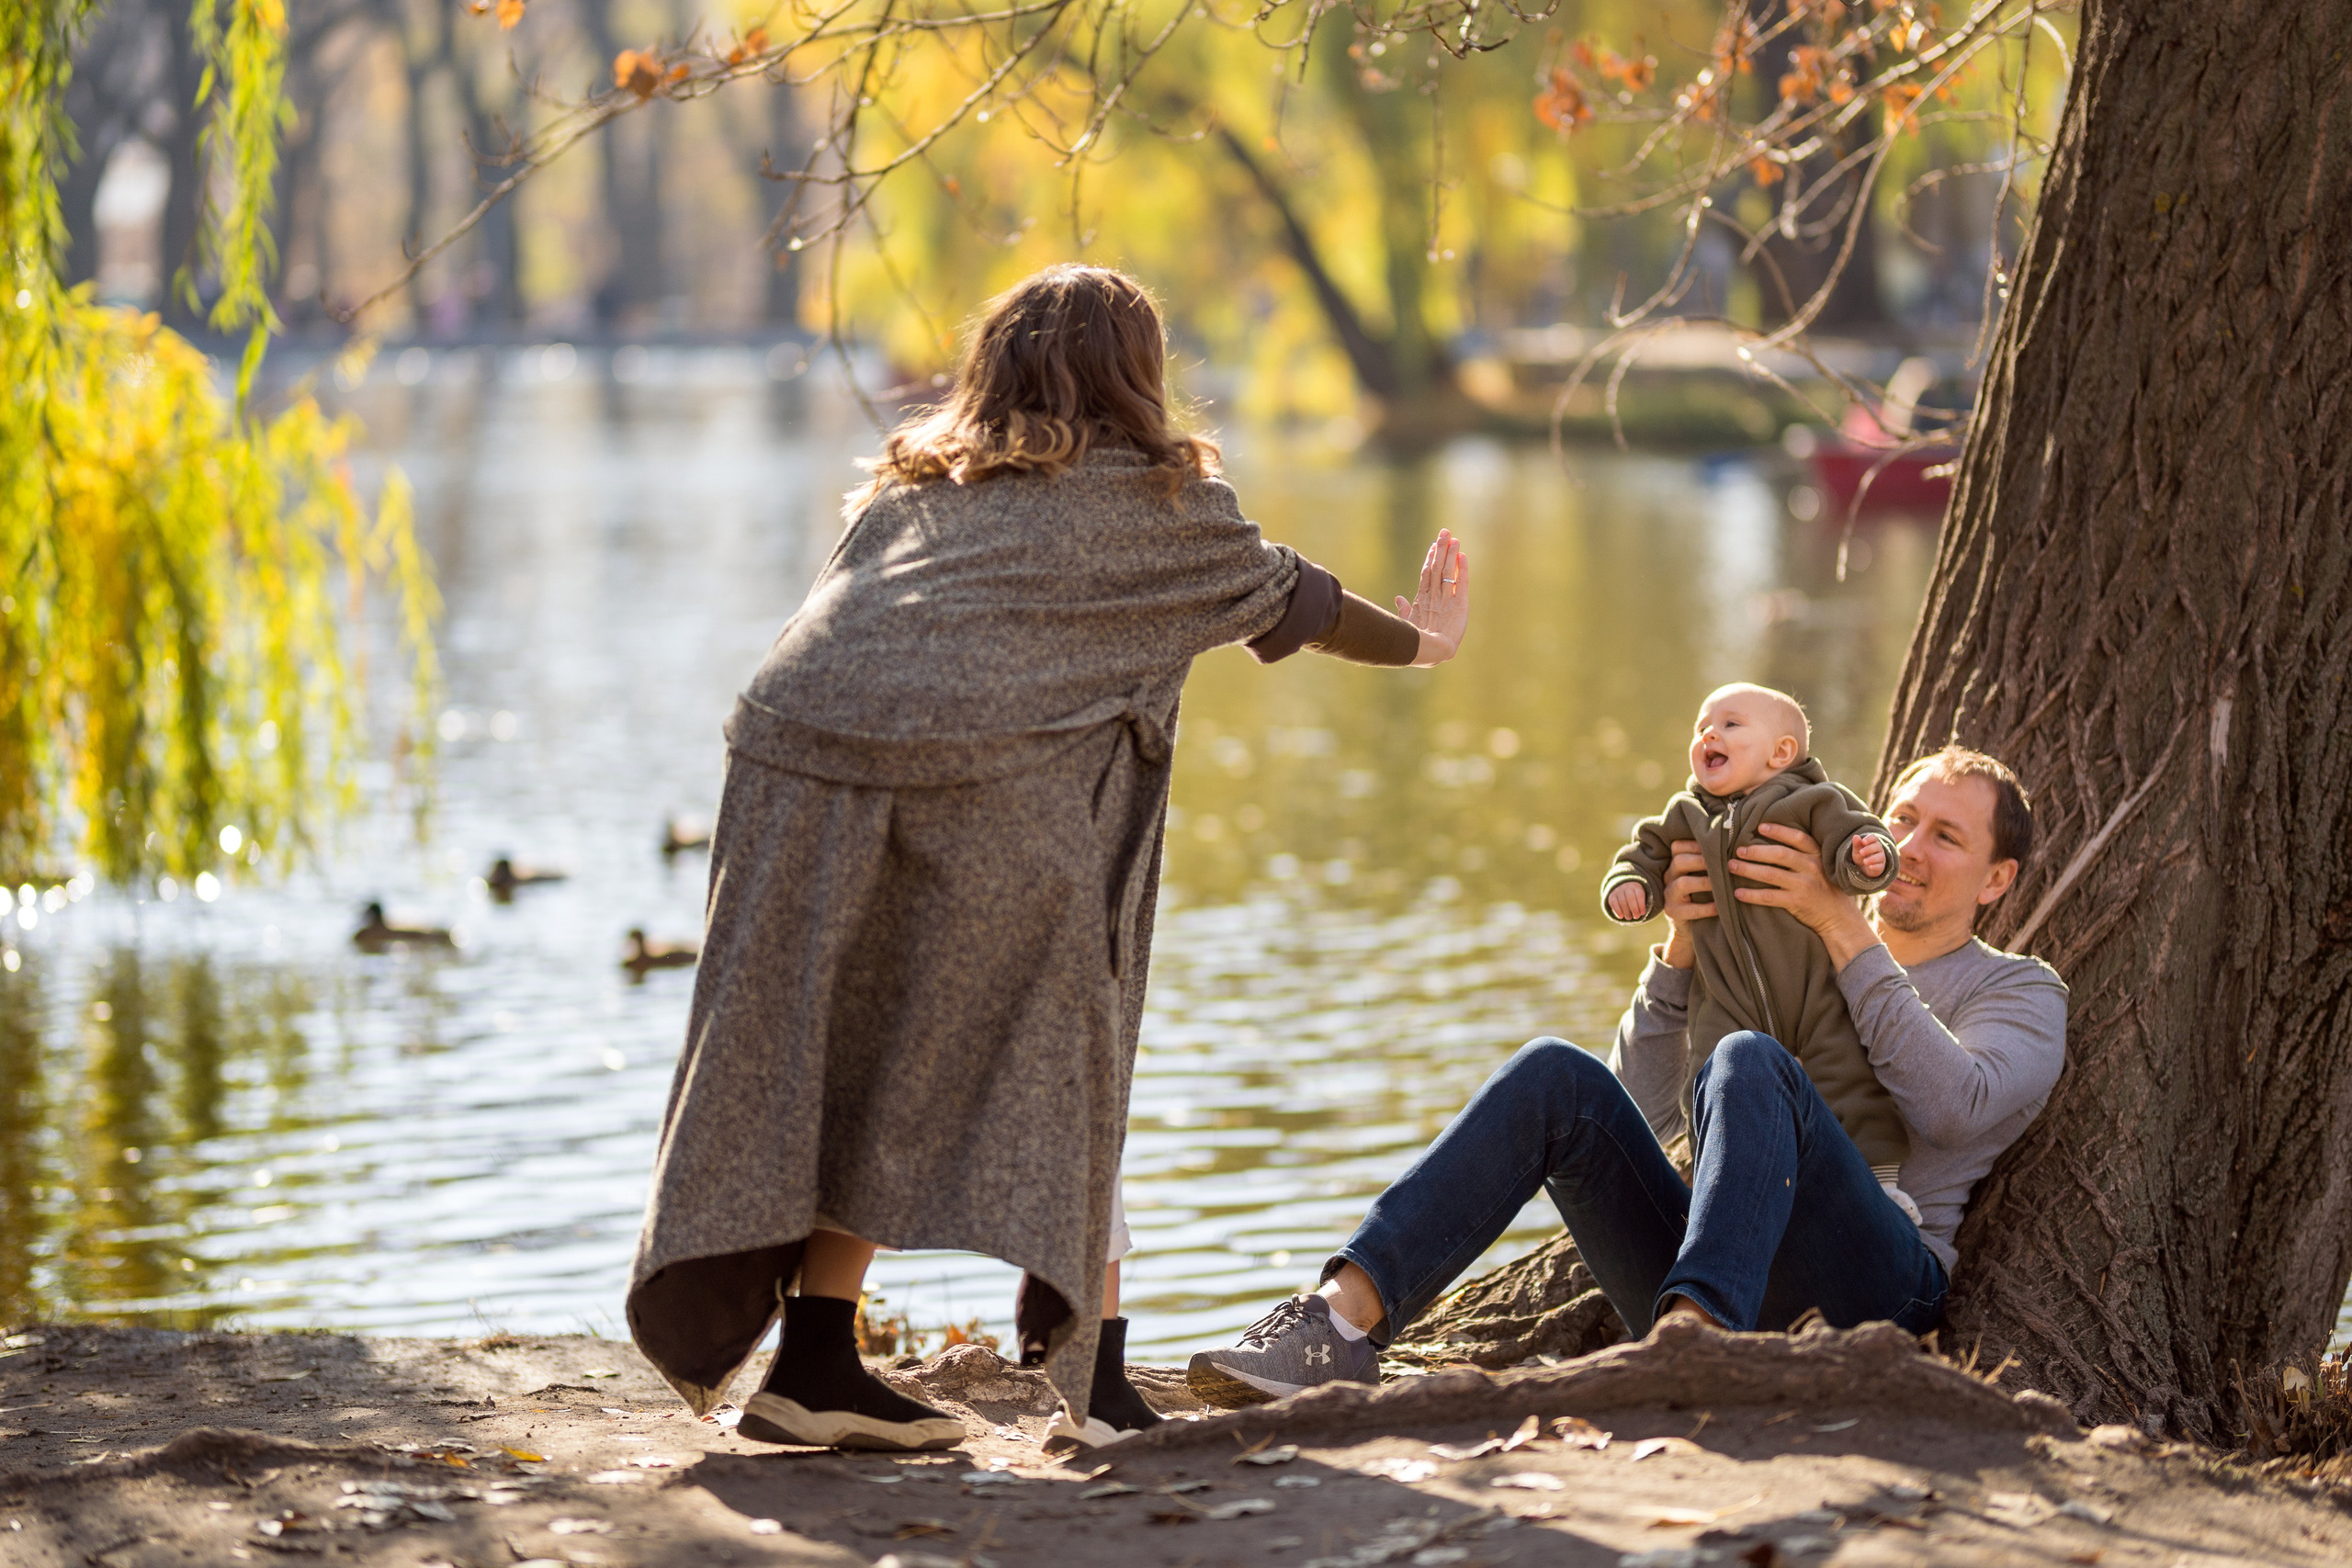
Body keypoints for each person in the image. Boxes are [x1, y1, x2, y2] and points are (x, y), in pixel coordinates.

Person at [625, 265, 1473, 1454]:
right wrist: (1425, 642)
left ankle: (815, 1359)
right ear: (1138, 375)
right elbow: (1299, 600)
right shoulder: (1159, 502)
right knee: (1072, 1007)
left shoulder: (918, 479)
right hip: (927, 778)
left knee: (851, 1049)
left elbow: (851, 633)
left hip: (785, 767)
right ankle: (1100, 1370)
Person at [1187, 745, 2066, 1407]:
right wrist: (1685, 944)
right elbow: (1639, 1110)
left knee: (1752, 1058)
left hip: (1875, 1284)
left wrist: (1842, 927)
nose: (1910, 845)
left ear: (1997, 878)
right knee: (1555, 1076)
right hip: (1710, 1269)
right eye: (1903, 817)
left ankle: (1690, 1352)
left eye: (1945, 835)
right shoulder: (1779, 945)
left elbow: (1959, 1108)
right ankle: (1335, 1323)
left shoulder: (2017, 990)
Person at [1601, 683, 1909, 1199]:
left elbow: (1855, 835)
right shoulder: (1687, 815)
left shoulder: (1812, 800)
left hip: (1814, 991)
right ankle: (1721, 1184)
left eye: (1730, 724)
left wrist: (1867, 858)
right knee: (1713, 1076)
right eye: (1701, 727)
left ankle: (1877, 1185)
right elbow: (1644, 852)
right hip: (1726, 1000)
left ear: (1781, 752)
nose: (1708, 735)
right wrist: (1631, 885)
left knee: (1848, 1076)